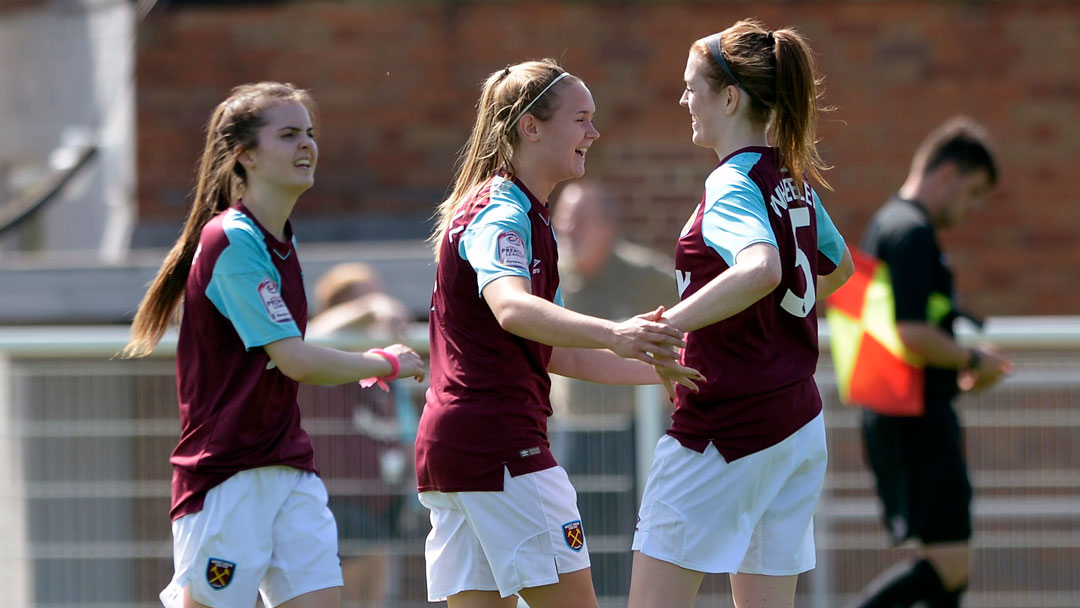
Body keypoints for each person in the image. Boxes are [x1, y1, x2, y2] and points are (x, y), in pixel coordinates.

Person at [121, 82, 425, 608]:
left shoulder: (278, 239)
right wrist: (385, 361)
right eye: (287, 135)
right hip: (228, 477)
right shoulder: (232, 239)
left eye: (309, 133)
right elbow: (294, 359)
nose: (306, 145)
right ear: (244, 156)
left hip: (290, 469)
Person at [415, 59, 703, 608]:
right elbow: (512, 308)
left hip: (458, 450)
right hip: (502, 448)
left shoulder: (529, 215)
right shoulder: (502, 209)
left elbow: (554, 352)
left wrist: (660, 366)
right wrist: (617, 331)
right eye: (581, 118)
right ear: (530, 126)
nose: (593, 133)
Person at [627, 20, 854, 608]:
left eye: (691, 87)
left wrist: (668, 326)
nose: (683, 101)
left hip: (726, 428)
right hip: (798, 424)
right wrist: (767, 324)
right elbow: (840, 268)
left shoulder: (732, 180)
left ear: (730, 98)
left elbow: (762, 269)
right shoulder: (793, 177)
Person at [849, 117, 1012, 608]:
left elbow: (894, 345)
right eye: (974, 192)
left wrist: (958, 380)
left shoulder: (887, 223)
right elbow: (909, 332)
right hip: (914, 425)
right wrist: (971, 357)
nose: (972, 208)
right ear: (949, 175)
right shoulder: (911, 231)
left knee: (948, 571)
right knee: (949, 566)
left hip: (904, 416)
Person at [306, 262, 418, 608]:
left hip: (382, 504)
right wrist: (370, 308)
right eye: (363, 298)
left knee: (375, 599)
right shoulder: (324, 358)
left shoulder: (381, 375)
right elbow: (311, 336)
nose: (378, 305)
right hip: (338, 503)